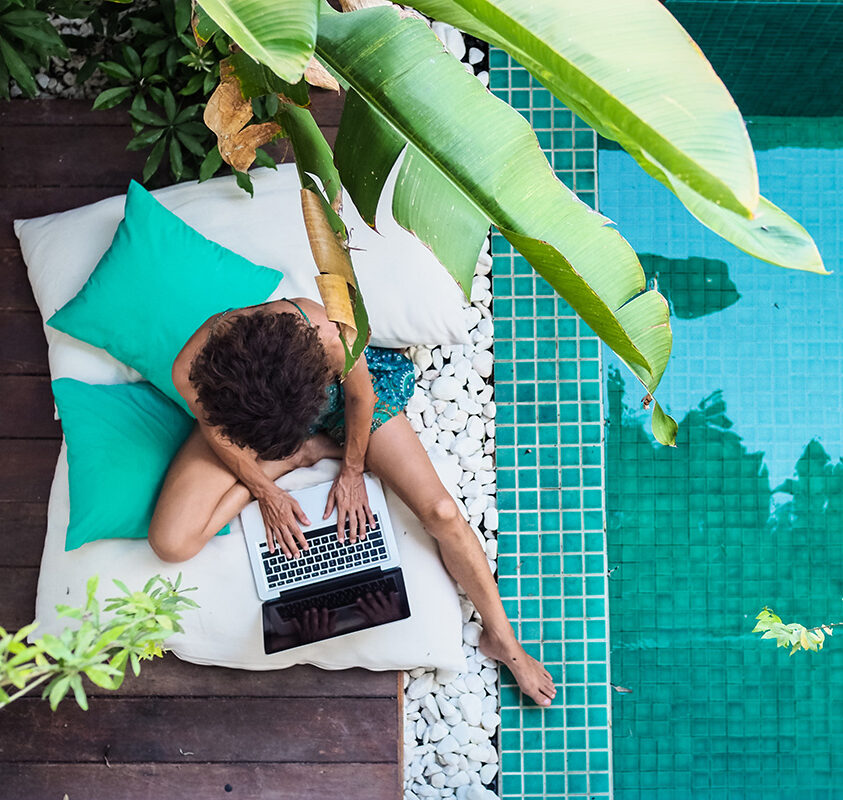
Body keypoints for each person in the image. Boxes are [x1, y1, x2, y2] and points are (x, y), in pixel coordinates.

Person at [149, 297, 556, 706]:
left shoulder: (327, 332)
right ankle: (303, 453)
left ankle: (503, 639)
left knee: (442, 512)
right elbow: (219, 434)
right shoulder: (193, 371)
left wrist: (351, 470)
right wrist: (265, 487)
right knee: (171, 543)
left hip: (338, 403)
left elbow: (362, 399)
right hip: (257, 420)